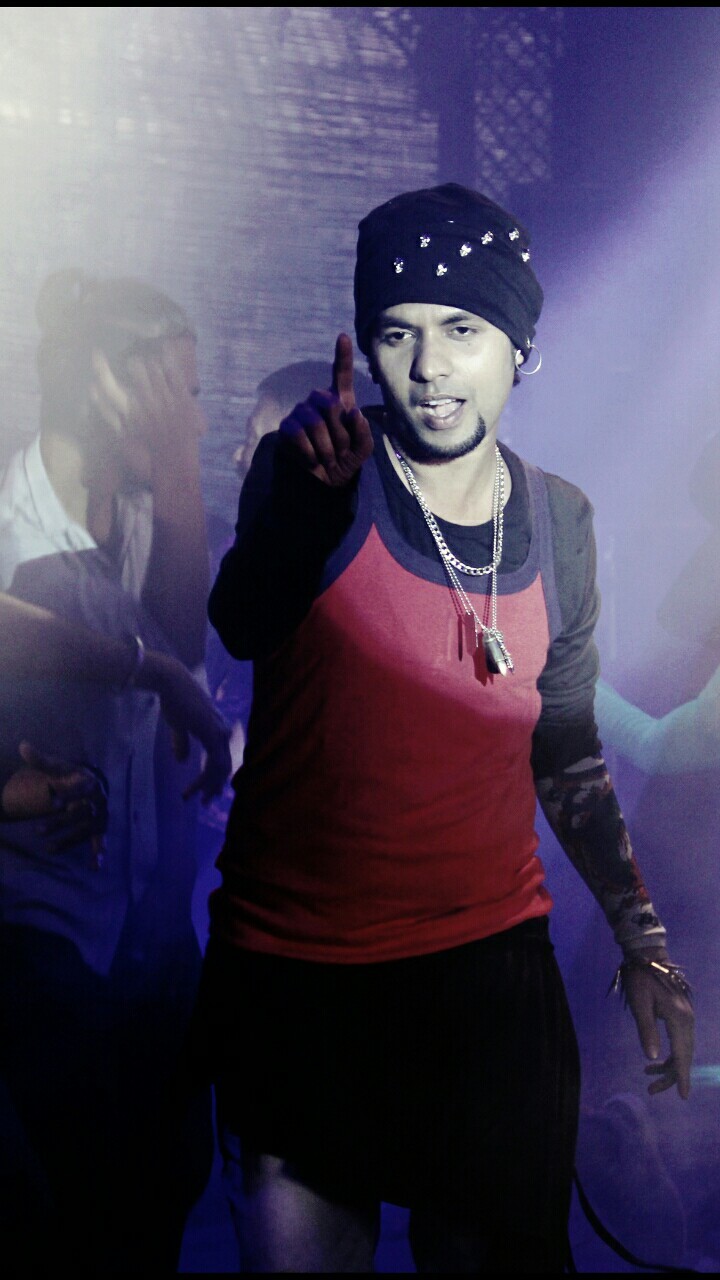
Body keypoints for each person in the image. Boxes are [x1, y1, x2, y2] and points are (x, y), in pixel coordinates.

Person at [199, 184, 695, 1273]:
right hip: (303, 981)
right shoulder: (312, 468)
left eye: (462, 329)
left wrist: (642, 938)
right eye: (397, 332)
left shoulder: (559, 520)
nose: (428, 367)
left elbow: (567, 750)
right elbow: (241, 622)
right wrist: (307, 510)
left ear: (520, 347)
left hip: (486, 981)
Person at [0, 270, 230, 1271]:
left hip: (150, 930)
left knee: (162, 1189)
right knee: (64, 1209)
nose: (195, 419)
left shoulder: (149, 521)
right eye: (179, 392)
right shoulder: (9, 518)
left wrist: (176, 469)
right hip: (33, 926)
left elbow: (181, 640)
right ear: (104, 382)